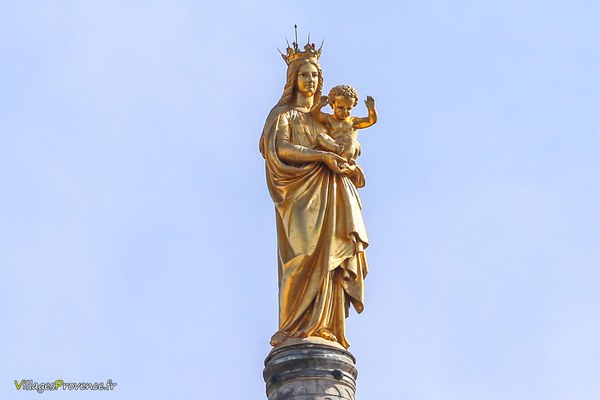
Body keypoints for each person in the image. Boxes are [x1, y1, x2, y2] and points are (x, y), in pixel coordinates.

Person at [259, 44, 369, 349]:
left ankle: (326, 326)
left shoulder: (327, 118)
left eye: (314, 75)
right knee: (304, 254)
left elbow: (348, 142)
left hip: (333, 190)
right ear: (293, 78)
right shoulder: (285, 114)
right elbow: (280, 149)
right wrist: (320, 156)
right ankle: (293, 326)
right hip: (300, 193)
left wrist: (349, 156)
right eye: (304, 74)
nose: (309, 80)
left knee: (332, 259)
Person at [310, 85, 378, 188]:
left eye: (348, 108)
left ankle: (343, 162)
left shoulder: (353, 121)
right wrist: (319, 105)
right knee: (321, 136)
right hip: (335, 147)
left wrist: (371, 109)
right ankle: (336, 150)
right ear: (332, 105)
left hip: (350, 149)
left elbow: (370, 120)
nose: (344, 112)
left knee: (352, 142)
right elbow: (315, 114)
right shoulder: (329, 119)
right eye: (340, 108)